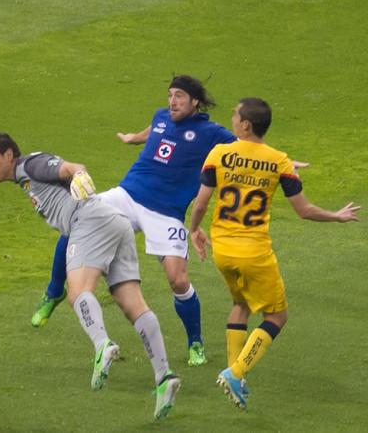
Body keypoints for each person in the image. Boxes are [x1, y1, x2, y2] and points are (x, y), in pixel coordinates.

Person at [31, 75, 307, 367]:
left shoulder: (212, 133)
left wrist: (286, 164)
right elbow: (155, 129)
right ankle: (54, 291)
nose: (172, 102)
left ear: (194, 101)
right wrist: (132, 138)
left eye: (179, 96)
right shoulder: (162, 117)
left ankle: (195, 344)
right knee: (78, 222)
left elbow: (247, 146)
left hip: (166, 213)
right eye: (170, 95)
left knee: (178, 280)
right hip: (127, 194)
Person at [0, 132, 181, 420]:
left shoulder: (30, 165)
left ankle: (103, 346)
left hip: (89, 221)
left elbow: (72, 167)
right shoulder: (27, 174)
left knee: (77, 292)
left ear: (9, 155)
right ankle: (164, 376)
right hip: (116, 222)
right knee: (131, 303)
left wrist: (78, 174)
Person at [189, 97, 360, 409]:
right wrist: (336, 216)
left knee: (240, 304)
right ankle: (235, 371)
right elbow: (304, 211)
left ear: (246, 125)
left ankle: (236, 376)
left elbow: (201, 202)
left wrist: (195, 230)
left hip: (222, 250)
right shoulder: (280, 161)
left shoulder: (219, 153)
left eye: (235, 115)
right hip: (254, 253)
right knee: (277, 315)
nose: (231, 118)